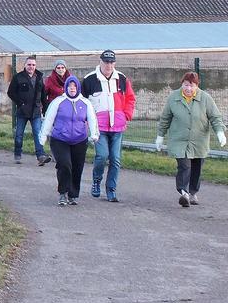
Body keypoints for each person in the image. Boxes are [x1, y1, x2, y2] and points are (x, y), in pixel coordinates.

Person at [155, 72, 226, 207]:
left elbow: (215, 117)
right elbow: (165, 118)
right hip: (179, 140)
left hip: (199, 141)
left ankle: (193, 192)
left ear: (196, 86)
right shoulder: (173, 97)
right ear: (182, 84)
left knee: (196, 167)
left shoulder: (205, 98)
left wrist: (220, 132)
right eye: (185, 85)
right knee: (184, 166)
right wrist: (160, 136)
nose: (188, 89)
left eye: (191, 86)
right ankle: (184, 193)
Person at [82, 49, 137, 202]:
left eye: (111, 62)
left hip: (117, 126)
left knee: (115, 158)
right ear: (100, 62)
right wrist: (87, 122)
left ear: (115, 63)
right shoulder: (90, 80)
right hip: (99, 127)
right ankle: (96, 181)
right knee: (102, 156)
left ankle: (111, 189)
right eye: (106, 62)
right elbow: (83, 103)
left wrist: (126, 115)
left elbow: (131, 99)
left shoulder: (122, 79)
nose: (108, 65)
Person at [40, 76, 99, 206]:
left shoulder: (85, 103)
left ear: (78, 88)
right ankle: (63, 193)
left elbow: (92, 119)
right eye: (69, 86)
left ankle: (73, 195)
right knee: (65, 165)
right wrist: (43, 136)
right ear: (66, 87)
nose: (72, 88)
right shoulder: (58, 101)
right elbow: (49, 119)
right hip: (60, 139)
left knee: (77, 167)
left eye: (74, 86)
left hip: (79, 140)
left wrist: (94, 134)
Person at [7, 56, 50, 166]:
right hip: (22, 111)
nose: (31, 67)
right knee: (19, 134)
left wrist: (45, 108)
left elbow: (43, 94)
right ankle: (18, 153)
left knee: (37, 134)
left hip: (35, 111)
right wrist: (20, 103)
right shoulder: (18, 77)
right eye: (29, 64)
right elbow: (11, 92)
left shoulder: (39, 77)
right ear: (25, 65)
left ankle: (40, 156)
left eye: (33, 65)